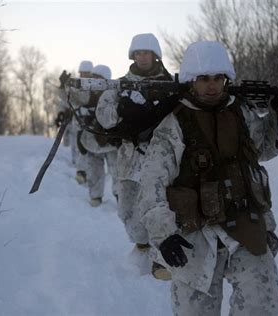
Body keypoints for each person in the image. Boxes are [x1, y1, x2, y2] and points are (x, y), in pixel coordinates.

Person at [139, 41, 278, 315]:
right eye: (203, 79)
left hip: (245, 228)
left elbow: (265, 148)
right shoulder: (173, 125)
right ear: (191, 81)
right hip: (193, 237)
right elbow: (152, 185)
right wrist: (163, 235)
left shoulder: (241, 113)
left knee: (262, 305)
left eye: (217, 78)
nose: (212, 86)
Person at [95, 33, 173, 279]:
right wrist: (121, 108)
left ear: (155, 55)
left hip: (162, 156)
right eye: (138, 53)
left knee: (164, 206)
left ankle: (164, 258)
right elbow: (103, 118)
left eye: (146, 52)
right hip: (129, 158)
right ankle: (142, 245)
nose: (142, 57)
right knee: (127, 209)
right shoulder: (119, 86)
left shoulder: (171, 85)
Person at [78, 64, 119, 207]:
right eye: (93, 78)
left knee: (117, 172)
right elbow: (80, 118)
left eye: (98, 79)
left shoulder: (114, 96)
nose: (95, 81)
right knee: (94, 171)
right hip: (92, 143)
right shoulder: (87, 95)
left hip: (111, 143)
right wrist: (81, 137)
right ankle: (95, 197)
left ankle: (120, 197)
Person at [69, 60, 94, 184]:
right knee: (79, 147)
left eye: (87, 73)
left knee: (91, 149)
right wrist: (62, 86)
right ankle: (81, 172)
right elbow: (68, 100)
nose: (84, 75)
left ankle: (88, 173)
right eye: (82, 73)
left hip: (92, 123)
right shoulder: (76, 86)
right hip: (78, 122)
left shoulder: (95, 86)